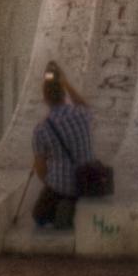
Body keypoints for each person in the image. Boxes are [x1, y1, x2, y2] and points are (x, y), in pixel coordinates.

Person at [31, 65, 97, 229]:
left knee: (38, 215)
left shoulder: (42, 129)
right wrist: (66, 83)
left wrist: (51, 182)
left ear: (45, 97)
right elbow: (83, 104)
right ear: (63, 94)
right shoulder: (82, 114)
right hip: (88, 181)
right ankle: (71, 207)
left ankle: (63, 207)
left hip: (62, 188)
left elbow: (40, 170)